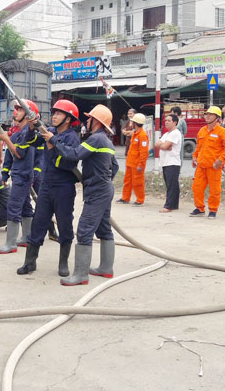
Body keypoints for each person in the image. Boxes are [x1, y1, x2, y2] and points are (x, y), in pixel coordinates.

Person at [46, 104, 118, 286]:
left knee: (85, 230)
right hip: (104, 188)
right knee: (104, 229)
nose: (87, 121)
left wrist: (54, 140)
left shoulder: (95, 139)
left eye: (90, 118)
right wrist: (104, 180)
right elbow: (115, 167)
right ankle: (106, 268)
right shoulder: (107, 141)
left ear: (97, 121)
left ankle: (80, 275)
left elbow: (74, 154)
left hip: (97, 191)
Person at [17, 100, 81, 277]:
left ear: (68, 119)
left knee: (65, 224)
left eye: (59, 113)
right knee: (38, 222)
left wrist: (52, 144)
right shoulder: (49, 131)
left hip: (64, 188)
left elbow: (67, 163)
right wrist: (32, 127)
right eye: (54, 113)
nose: (54, 116)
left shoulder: (72, 138)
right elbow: (30, 141)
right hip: (46, 186)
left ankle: (63, 263)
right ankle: (30, 262)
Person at [0, 100, 39, 255]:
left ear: (28, 115)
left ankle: (10, 244)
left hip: (23, 175)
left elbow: (19, 154)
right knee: (26, 206)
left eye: (20, 110)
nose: (16, 113)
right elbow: (9, 156)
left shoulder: (28, 133)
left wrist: (6, 139)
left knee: (13, 207)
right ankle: (26, 238)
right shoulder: (18, 134)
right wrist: (4, 173)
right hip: (19, 175)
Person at [190, 106, 225, 218]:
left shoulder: (222, 132)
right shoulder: (202, 130)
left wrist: (221, 160)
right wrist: (194, 156)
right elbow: (198, 146)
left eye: (210, 114)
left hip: (214, 167)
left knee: (214, 190)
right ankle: (199, 208)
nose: (207, 116)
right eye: (206, 114)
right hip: (201, 166)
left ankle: (213, 210)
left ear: (217, 118)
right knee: (197, 187)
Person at [117, 112, 149, 206]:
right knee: (127, 181)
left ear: (135, 123)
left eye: (133, 122)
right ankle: (125, 198)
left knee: (138, 182)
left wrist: (141, 165)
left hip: (137, 164)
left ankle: (140, 200)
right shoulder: (135, 133)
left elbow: (144, 152)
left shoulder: (142, 135)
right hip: (130, 162)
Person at [156, 113, 182, 213]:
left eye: (169, 121)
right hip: (165, 162)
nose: (166, 122)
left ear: (175, 122)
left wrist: (164, 145)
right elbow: (157, 144)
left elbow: (165, 146)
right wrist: (164, 145)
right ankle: (174, 204)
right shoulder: (166, 134)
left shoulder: (175, 133)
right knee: (171, 184)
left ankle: (168, 206)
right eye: (166, 120)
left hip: (172, 162)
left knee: (171, 185)